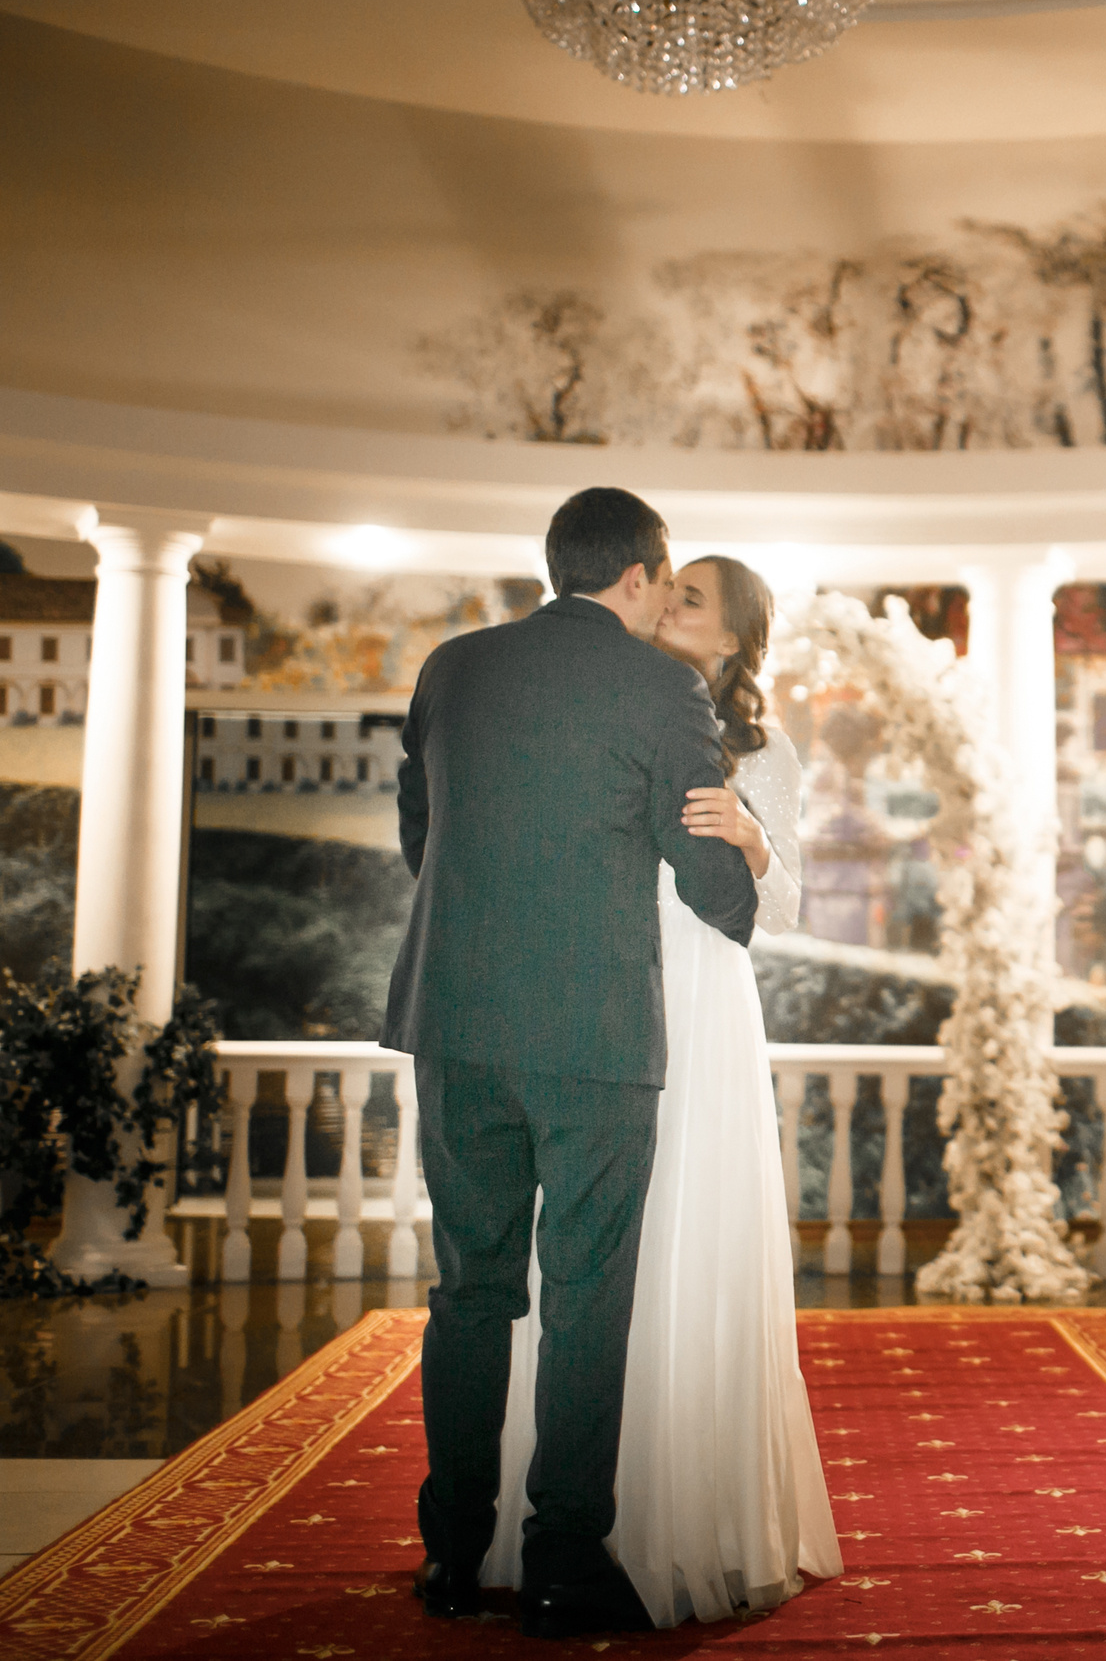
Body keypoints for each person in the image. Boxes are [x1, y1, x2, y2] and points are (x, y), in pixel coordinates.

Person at [382, 488, 760, 1641]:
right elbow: (701, 860)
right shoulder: (660, 686)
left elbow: (419, 822)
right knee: (586, 1297)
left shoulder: (453, 666)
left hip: (456, 1021)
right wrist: (742, 879)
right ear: (639, 576)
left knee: (469, 1290)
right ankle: (560, 1560)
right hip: (593, 1037)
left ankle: (451, 1554)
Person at [479, 554, 842, 1625]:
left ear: (730, 637)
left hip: (703, 988)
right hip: (599, 980)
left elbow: (788, 907)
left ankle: (696, 1522)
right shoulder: (607, 704)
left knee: (690, 1214)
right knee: (590, 1242)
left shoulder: (762, 747)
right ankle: (571, 1515)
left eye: (691, 597)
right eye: (665, 586)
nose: (665, 603)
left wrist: (754, 838)